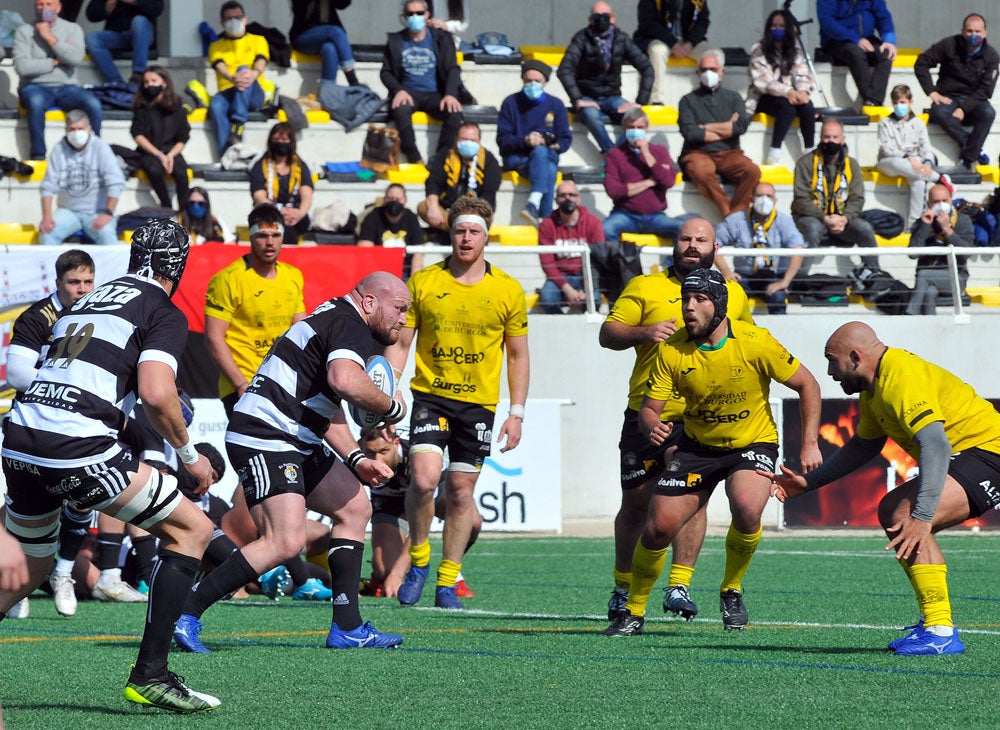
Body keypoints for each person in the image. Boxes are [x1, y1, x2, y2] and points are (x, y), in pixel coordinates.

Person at [0, 219, 220, 713]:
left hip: (19, 437)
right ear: (178, 265)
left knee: (31, 567)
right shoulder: (160, 309)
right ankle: (151, 675)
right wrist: (190, 456)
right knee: (193, 529)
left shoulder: (92, 297)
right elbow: (156, 393)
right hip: (74, 443)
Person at [173, 272, 412, 652]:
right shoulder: (349, 324)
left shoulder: (335, 317)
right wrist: (392, 406)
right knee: (285, 541)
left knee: (355, 508)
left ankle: (347, 627)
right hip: (266, 436)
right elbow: (345, 381)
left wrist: (353, 458)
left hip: (291, 435)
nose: (403, 320)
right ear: (369, 302)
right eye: (399, 309)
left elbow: (326, 405)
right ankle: (184, 613)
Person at [605, 267, 821, 636]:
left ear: (719, 305)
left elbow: (808, 384)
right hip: (698, 445)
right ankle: (634, 612)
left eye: (700, 299)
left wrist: (809, 442)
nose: (689, 307)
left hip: (752, 443)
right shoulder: (671, 350)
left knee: (748, 508)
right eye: (686, 299)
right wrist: (650, 424)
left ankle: (731, 589)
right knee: (657, 528)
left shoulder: (756, 341)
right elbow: (649, 407)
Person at [764, 321, 1000, 655]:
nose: (830, 371)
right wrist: (808, 482)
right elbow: (864, 445)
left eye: (832, 361)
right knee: (894, 512)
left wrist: (922, 515)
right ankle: (935, 625)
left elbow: (935, 445)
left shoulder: (901, 377)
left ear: (856, 357)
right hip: (975, 456)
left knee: (904, 514)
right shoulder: (874, 389)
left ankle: (940, 630)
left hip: (991, 455)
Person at [599, 218, 753, 623]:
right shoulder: (644, 287)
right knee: (636, 504)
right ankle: (622, 586)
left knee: (692, 494)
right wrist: (644, 331)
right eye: (685, 238)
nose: (692, 245)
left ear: (715, 247)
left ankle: (679, 584)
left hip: (698, 417)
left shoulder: (732, 294)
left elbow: (744, 345)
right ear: (674, 244)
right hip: (645, 412)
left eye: (701, 239)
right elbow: (608, 333)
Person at [386, 197, 529, 609]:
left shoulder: (507, 289)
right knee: (426, 479)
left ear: (486, 236)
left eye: (474, 232)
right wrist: (392, 388)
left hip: (479, 406)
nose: (466, 238)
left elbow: (518, 355)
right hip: (431, 397)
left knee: (463, 495)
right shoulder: (424, 283)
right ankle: (418, 561)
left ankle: (447, 581)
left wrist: (516, 413)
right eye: (460, 231)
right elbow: (401, 342)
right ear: (450, 234)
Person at [5, 249, 95, 619]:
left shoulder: (99, 315)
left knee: (86, 496)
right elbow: (17, 375)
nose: (82, 289)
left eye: (88, 281)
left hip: (81, 424)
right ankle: (20, 580)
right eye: (74, 282)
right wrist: (67, 387)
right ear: (57, 283)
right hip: (36, 423)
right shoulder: (36, 317)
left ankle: (62, 573)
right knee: (28, 508)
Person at [205, 203, 306, 416]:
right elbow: (214, 337)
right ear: (249, 237)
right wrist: (241, 385)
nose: (270, 242)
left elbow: (301, 334)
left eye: (275, 235)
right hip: (243, 386)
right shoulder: (227, 279)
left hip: (282, 384)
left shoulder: (293, 276)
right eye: (262, 235)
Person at [357, 425, 480, 598]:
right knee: (385, 570)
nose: (377, 459)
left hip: (428, 496)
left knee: (472, 521)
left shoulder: (417, 454)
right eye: (370, 453)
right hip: (389, 503)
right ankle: (375, 578)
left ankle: (452, 572)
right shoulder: (355, 457)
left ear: (396, 442)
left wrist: (398, 573)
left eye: (383, 451)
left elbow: (423, 518)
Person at [556, 2, 653, 154]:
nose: (601, 20)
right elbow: (564, 70)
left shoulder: (622, 39)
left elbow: (647, 68)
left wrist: (640, 102)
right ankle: (611, 153)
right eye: (597, 16)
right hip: (588, 96)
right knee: (591, 115)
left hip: (613, 96)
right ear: (590, 20)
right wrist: (577, 99)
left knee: (635, 117)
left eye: (605, 16)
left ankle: (618, 153)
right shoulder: (581, 38)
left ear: (613, 18)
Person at [13, 0, 103, 161]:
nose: (45, 8)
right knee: (36, 103)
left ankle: (94, 152)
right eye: (40, 5)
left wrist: (49, 38)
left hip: (67, 86)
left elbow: (75, 58)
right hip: (35, 86)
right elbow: (23, 67)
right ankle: (38, 155)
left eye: (49, 4)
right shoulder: (24, 31)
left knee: (93, 104)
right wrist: (53, 62)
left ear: (59, 7)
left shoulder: (72, 29)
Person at [678, 48, 760, 218]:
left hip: (730, 153)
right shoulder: (687, 100)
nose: (708, 73)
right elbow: (690, 132)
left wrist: (705, 127)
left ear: (722, 72)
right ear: (698, 72)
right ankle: (728, 213)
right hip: (698, 153)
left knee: (752, 171)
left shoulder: (734, 97)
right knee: (700, 171)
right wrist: (726, 127)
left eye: (713, 69)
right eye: (704, 70)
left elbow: (740, 127)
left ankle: (737, 214)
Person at [380, 0, 464, 164]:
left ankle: (441, 158)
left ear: (427, 15)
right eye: (410, 14)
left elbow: (452, 69)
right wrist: (398, 90)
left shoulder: (441, 39)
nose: (415, 17)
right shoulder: (396, 40)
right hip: (408, 93)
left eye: (419, 13)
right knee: (401, 110)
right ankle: (413, 155)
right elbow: (386, 72)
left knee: (454, 114)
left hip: (435, 94)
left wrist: (450, 94)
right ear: (404, 16)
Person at [791, 117, 879, 273]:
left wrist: (844, 218)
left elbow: (857, 198)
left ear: (843, 139)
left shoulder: (852, 165)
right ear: (821, 138)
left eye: (835, 137)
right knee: (812, 229)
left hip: (842, 220)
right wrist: (824, 218)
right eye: (827, 137)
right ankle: (799, 279)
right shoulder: (805, 162)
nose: (830, 141)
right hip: (813, 217)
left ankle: (875, 274)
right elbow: (801, 200)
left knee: (865, 229)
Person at [914, 13, 999, 172]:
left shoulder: (991, 56)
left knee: (989, 113)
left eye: (978, 32)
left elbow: (986, 90)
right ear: (962, 31)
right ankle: (973, 148)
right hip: (948, 97)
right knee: (938, 112)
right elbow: (921, 63)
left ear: (985, 33)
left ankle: (968, 158)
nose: (973, 35)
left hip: (974, 100)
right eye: (969, 31)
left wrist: (963, 108)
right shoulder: (948, 44)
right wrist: (931, 92)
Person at [497, 60, 572, 226]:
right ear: (522, 81)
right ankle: (545, 218)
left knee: (542, 153)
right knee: (548, 166)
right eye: (529, 80)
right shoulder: (511, 103)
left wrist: (550, 143)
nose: (533, 84)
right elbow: (503, 140)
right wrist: (526, 141)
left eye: (537, 81)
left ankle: (534, 204)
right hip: (518, 156)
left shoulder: (556, 105)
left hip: (546, 154)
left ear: (545, 82)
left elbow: (565, 139)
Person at [715, 181, 805, 314]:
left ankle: (780, 333)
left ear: (775, 200)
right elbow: (714, 245)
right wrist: (726, 272)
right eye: (760, 195)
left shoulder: (784, 221)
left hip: (774, 276)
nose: (764, 200)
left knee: (778, 296)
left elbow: (798, 248)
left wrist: (785, 281)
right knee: (730, 298)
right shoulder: (736, 220)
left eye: (768, 196)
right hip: (744, 277)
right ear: (751, 198)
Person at [39, 109, 125, 246]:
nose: (76, 132)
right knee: (47, 232)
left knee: (107, 235)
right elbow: (48, 186)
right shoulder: (59, 149)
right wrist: (47, 216)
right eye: (72, 129)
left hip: (97, 212)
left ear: (89, 128)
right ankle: (51, 267)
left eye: (80, 128)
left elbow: (115, 183)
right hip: (68, 211)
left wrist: (108, 213)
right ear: (66, 130)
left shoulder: (101, 147)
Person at [602, 107, 682, 252]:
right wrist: (650, 182)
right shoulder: (615, 154)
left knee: (684, 230)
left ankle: (672, 271)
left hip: (656, 216)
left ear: (647, 129)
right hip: (625, 214)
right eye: (631, 127)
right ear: (624, 129)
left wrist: (646, 152)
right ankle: (616, 271)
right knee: (605, 230)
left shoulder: (659, 151)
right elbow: (614, 190)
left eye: (640, 127)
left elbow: (669, 181)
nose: (635, 131)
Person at [111, 66, 191, 209]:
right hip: (149, 151)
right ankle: (166, 207)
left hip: (171, 151)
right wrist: (159, 155)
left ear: (164, 82)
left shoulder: (177, 106)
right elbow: (137, 134)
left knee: (181, 173)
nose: (150, 85)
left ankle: (184, 212)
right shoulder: (142, 106)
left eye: (154, 81)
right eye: (146, 82)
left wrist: (170, 155)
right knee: (153, 169)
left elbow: (183, 137)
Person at [746, 9, 817, 166]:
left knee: (808, 106)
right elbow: (763, 82)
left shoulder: (796, 52)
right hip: (764, 97)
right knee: (787, 108)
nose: (777, 29)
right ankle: (774, 152)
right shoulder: (759, 50)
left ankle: (810, 151)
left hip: (791, 96)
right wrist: (789, 92)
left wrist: (802, 92)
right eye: (774, 26)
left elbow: (802, 75)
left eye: (781, 26)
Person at [877, 84, 953, 227]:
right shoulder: (884, 123)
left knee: (918, 179)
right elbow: (887, 149)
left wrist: (928, 163)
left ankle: (913, 225)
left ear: (910, 102)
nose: (899, 106)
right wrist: (908, 157)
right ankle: (939, 178)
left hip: (915, 165)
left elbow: (926, 148)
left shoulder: (918, 123)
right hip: (890, 162)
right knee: (899, 163)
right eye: (896, 103)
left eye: (902, 102)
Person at [207, 1, 273, 154]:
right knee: (216, 106)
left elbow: (261, 60)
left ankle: (238, 123)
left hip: (253, 93)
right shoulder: (216, 45)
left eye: (237, 17)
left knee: (244, 70)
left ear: (245, 19)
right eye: (228, 18)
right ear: (222, 22)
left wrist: (253, 74)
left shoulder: (258, 40)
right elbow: (219, 64)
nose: (233, 21)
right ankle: (228, 153)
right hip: (228, 91)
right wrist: (232, 78)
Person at [419, 121, 502, 233]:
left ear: (479, 141)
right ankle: (459, 230)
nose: (468, 143)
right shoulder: (445, 155)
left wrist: (470, 216)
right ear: (456, 139)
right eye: (464, 139)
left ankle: (459, 230)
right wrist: (433, 206)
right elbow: (433, 182)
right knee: (423, 207)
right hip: (448, 212)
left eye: (473, 140)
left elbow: (489, 194)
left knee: (482, 219)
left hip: (477, 213)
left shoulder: (489, 161)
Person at [537, 180, 605, 314]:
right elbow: (547, 262)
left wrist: (586, 289)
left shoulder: (593, 223)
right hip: (559, 276)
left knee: (595, 299)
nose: (567, 198)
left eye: (571, 195)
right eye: (562, 195)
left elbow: (599, 258)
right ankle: (561, 327)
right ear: (556, 200)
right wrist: (568, 289)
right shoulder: (547, 225)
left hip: (586, 275)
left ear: (578, 199)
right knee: (547, 299)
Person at [905, 183, 973, 316]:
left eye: (944, 201)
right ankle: (930, 325)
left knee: (924, 275)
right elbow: (912, 253)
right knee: (930, 292)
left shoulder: (963, 220)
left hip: (955, 277)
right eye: (936, 201)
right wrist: (925, 226)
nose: (941, 204)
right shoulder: (922, 222)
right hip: (928, 278)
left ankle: (909, 315)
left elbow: (966, 253)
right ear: (929, 203)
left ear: (951, 200)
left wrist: (948, 230)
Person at [817, 0, 897, 107]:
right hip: (837, 39)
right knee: (856, 53)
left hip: (867, 38)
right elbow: (827, 21)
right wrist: (855, 39)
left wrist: (889, 40)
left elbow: (883, 16)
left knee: (886, 54)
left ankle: (873, 101)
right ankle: (872, 101)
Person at [633, 0, 711, 105]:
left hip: (688, 41)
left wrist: (691, 43)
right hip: (659, 38)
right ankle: (656, 100)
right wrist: (673, 44)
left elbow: (703, 21)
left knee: (714, 54)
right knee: (658, 51)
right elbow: (648, 23)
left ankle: (710, 95)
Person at [249, 122, 314, 246]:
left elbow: (307, 193)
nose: (280, 143)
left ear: (291, 142)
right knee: (281, 227)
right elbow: (259, 196)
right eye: (276, 139)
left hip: (294, 213)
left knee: (293, 224)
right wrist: (279, 211)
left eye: (284, 139)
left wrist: (299, 213)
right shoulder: (260, 166)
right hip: (269, 212)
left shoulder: (300, 166)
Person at [84, 0, 162, 85]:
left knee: (139, 21)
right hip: (118, 35)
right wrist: (106, 8)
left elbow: (157, 8)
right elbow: (91, 15)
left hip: (142, 35)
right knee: (92, 37)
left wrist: (134, 1)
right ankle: (116, 82)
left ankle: (138, 74)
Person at [358, 183, 427, 278]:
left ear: (405, 201)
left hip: (404, 271)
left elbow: (419, 250)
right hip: (379, 272)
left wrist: (414, 280)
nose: (394, 202)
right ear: (385, 200)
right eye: (390, 198)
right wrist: (374, 278)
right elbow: (365, 248)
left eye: (398, 199)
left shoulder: (410, 217)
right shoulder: (373, 216)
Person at [289, 0, 360, 88]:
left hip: (326, 37)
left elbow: (343, 4)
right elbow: (300, 4)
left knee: (329, 48)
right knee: (336, 32)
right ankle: (353, 80)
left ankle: (327, 90)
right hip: (303, 37)